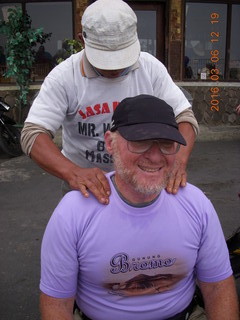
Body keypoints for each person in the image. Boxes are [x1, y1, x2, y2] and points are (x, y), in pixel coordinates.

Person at [40, 94, 238, 320]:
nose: (155, 157)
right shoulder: (73, 213)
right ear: (110, 142)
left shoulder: (196, 204)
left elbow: (218, 287)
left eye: (166, 144)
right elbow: (57, 305)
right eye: (140, 141)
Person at [21, 0, 199, 204]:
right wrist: (73, 172)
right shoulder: (64, 77)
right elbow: (33, 134)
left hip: (140, 180)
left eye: (122, 56)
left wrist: (178, 160)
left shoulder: (150, 69)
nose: (115, 68)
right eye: (106, 58)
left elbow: (185, 117)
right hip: (85, 185)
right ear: (82, 40)